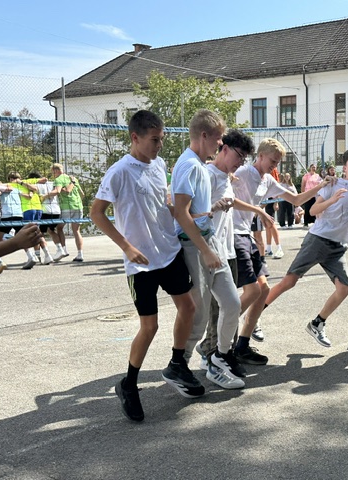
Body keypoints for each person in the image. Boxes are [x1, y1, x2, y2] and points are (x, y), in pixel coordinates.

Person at [90, 110, 203, 422]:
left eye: (161, 139)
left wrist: (185, 213)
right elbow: (97, 213)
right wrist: (126, 246)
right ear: (135, 138)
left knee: (188, 307)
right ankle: (128, 384)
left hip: (168, 251)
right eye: (154, 140)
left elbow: (160, 203)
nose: (159, 145)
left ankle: (177, 363)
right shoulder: (119, 172)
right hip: (140, 263)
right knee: (149, 326)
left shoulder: (159, 165)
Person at [231, 138, 333, 365]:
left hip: (246, 235)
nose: (274, 165)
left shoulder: (267, 179)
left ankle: (242, 345)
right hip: (233, 235)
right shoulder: (244, 172)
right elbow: (226, 192)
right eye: (272, 161)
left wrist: (321, 186)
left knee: (263, 289)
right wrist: (258, 210)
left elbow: (296, 199)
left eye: (277, 163)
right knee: (251, 291)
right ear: (260, 156)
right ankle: (218, 337)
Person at [170, 109, 249, 390]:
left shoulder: (200, 166)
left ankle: (219, 358)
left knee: (232, 303)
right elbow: (181, 214)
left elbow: (192, 210)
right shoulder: (189, 166)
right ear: (204, 135)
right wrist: (205, 249)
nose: (220, 143)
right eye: (218, 139)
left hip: (209, 241)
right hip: (195, 246)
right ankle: (179, 365)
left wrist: (211, 210)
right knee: (200, 314)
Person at [264, 148, 348, 347]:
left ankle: (317, 324)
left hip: (337, 247)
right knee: (288, 282)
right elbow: (313, 210)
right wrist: (332, 200)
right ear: (344, 167)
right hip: (318, 240)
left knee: (344, 289)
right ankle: (255, 314)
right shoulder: (333, 184)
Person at [194, 129, 271, 382]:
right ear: (224, 149)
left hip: (226, 250)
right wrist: (212, 209)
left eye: (244, 158)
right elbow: (185, 209)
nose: (241, 162)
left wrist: (258, 210)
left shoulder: (225, 175)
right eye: (239, 156)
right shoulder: (206, 174)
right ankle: (211, 356)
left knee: (229, 307)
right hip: (210, 250)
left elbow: (232, 201)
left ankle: (222, 355)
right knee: (219, 309)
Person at [52, 163, 85, 261]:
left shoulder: (58, 179)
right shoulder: (73, 179)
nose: (53, 175)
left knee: (59, 228)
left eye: (53, 172)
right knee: (76, 231)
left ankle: (64, 250)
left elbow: (65, 191)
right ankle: (80, 254)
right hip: (78, 206)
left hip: (66, 207)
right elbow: (82, 194)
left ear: (56, 171)